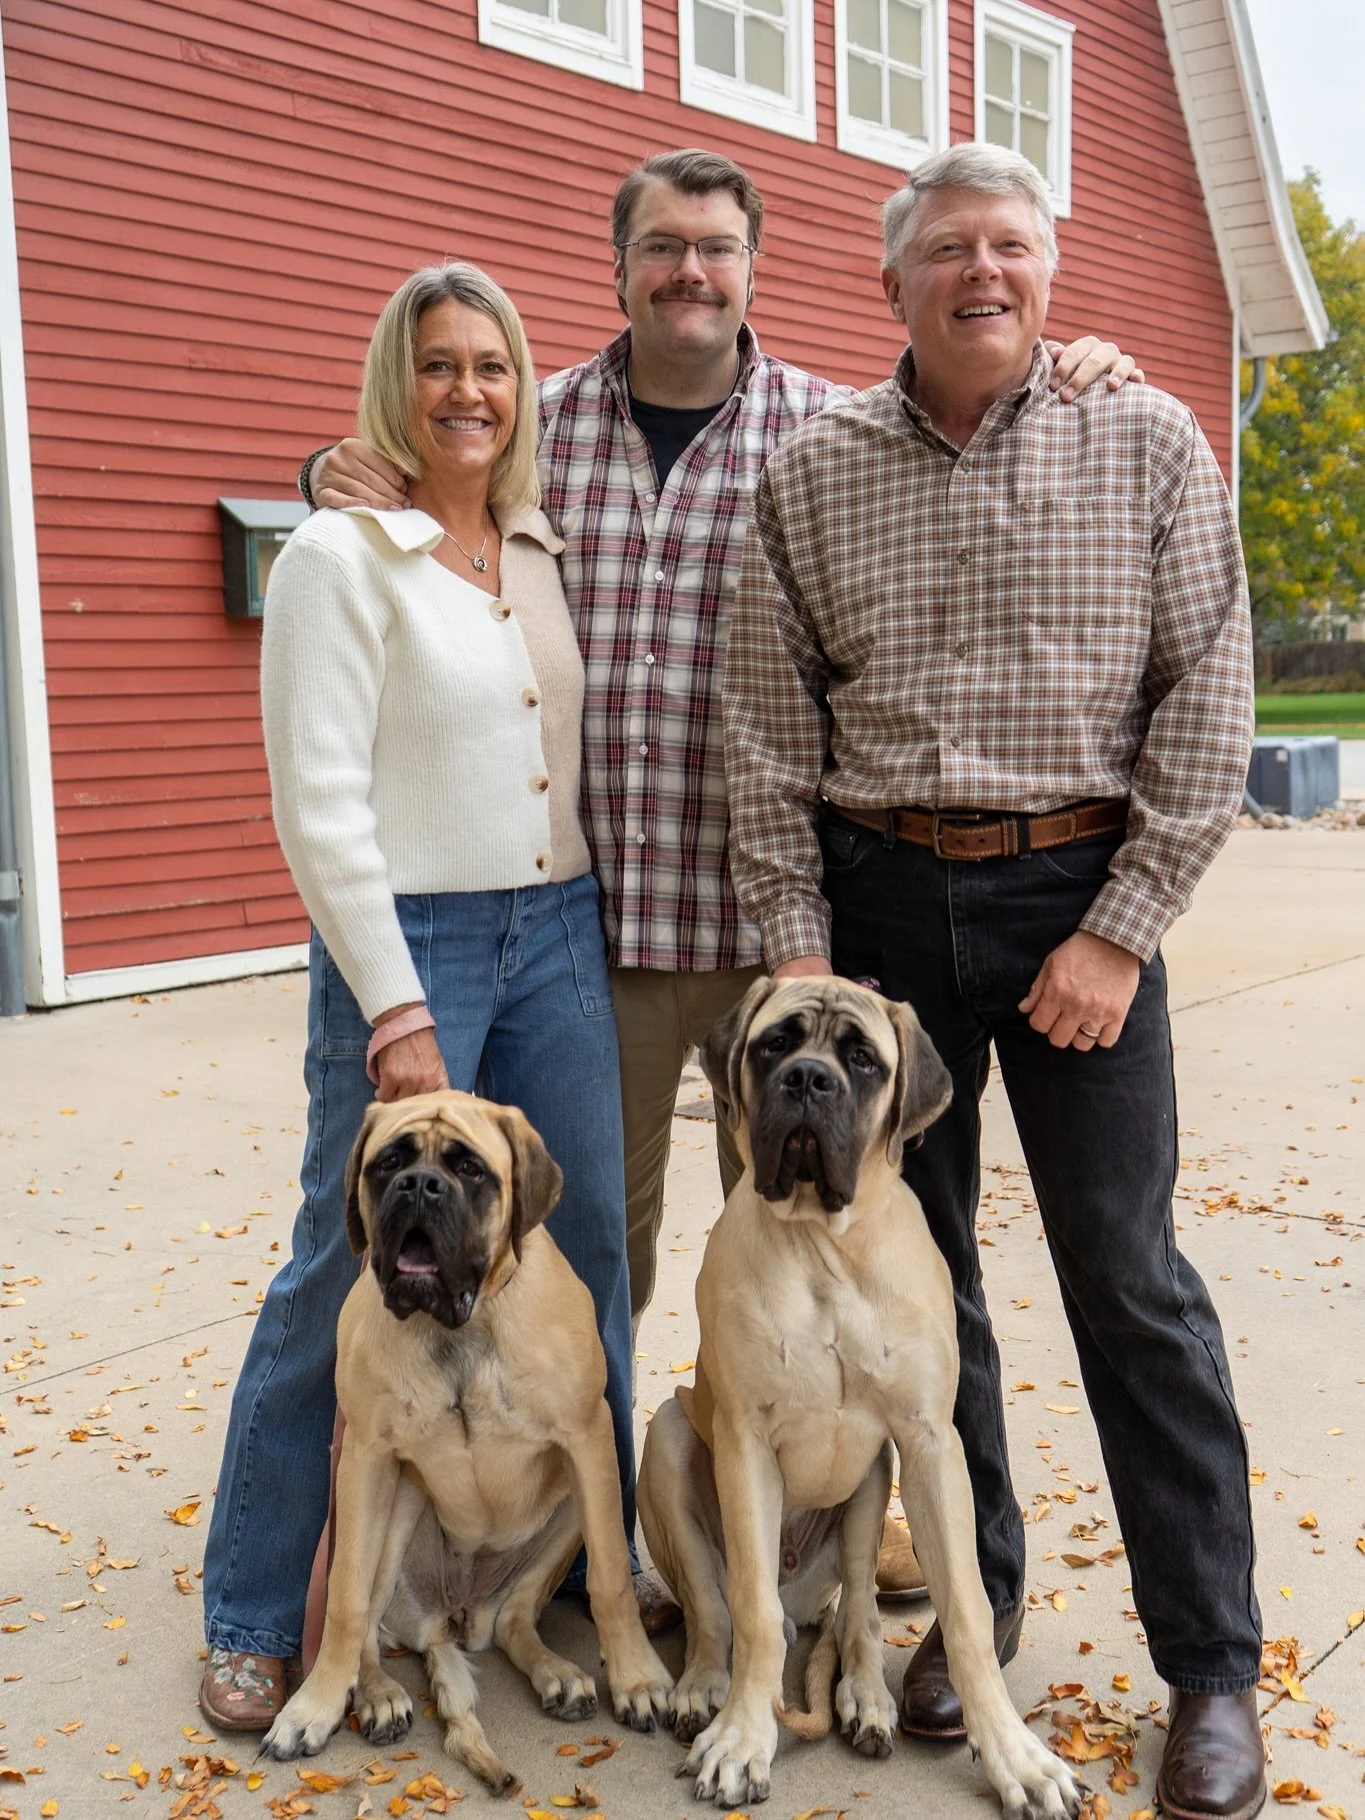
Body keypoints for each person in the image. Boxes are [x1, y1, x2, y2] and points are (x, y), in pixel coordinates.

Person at [308, 149, 1139, 1339]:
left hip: (780, 942)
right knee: (592, 1253)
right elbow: (406, 474)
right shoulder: (532, 437)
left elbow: (966, 398)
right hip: (601, 945)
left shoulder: (837, 436)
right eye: (660, 246)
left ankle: (790, 1526)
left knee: (805, 1265)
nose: (688, 271)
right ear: (620, 269)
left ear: (755, 269)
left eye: (715, 248)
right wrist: (325, 472)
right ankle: (610, 1516)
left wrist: (1065, 363)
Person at [722, 142, 1264, 1820]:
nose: (982, 272)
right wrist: (801, 955)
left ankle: (1213, 1671)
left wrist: (1123, 926)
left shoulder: (1148, 438)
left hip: (1077, 891)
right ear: (892, 285)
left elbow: (1210, 689)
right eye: (947, 249)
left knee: (1130, 1279)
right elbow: (763, 732)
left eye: (1010, 247)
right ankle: (979, 1612)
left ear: (1049, 267)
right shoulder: (812, 472)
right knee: (925, 1284)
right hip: (880, 919)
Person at [200, 263, 649, 1732]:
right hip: (412, 942)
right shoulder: (342, 554)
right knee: (343, 1266)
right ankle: (259, 1614)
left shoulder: (534, 542)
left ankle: (593, 1576)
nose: (470, 390)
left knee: (577, 1245)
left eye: (495, 367)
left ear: (525, 390)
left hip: (560, 921)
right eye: (440, 364)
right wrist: (394, 1007)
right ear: (396, 381)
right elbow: (320, 802)